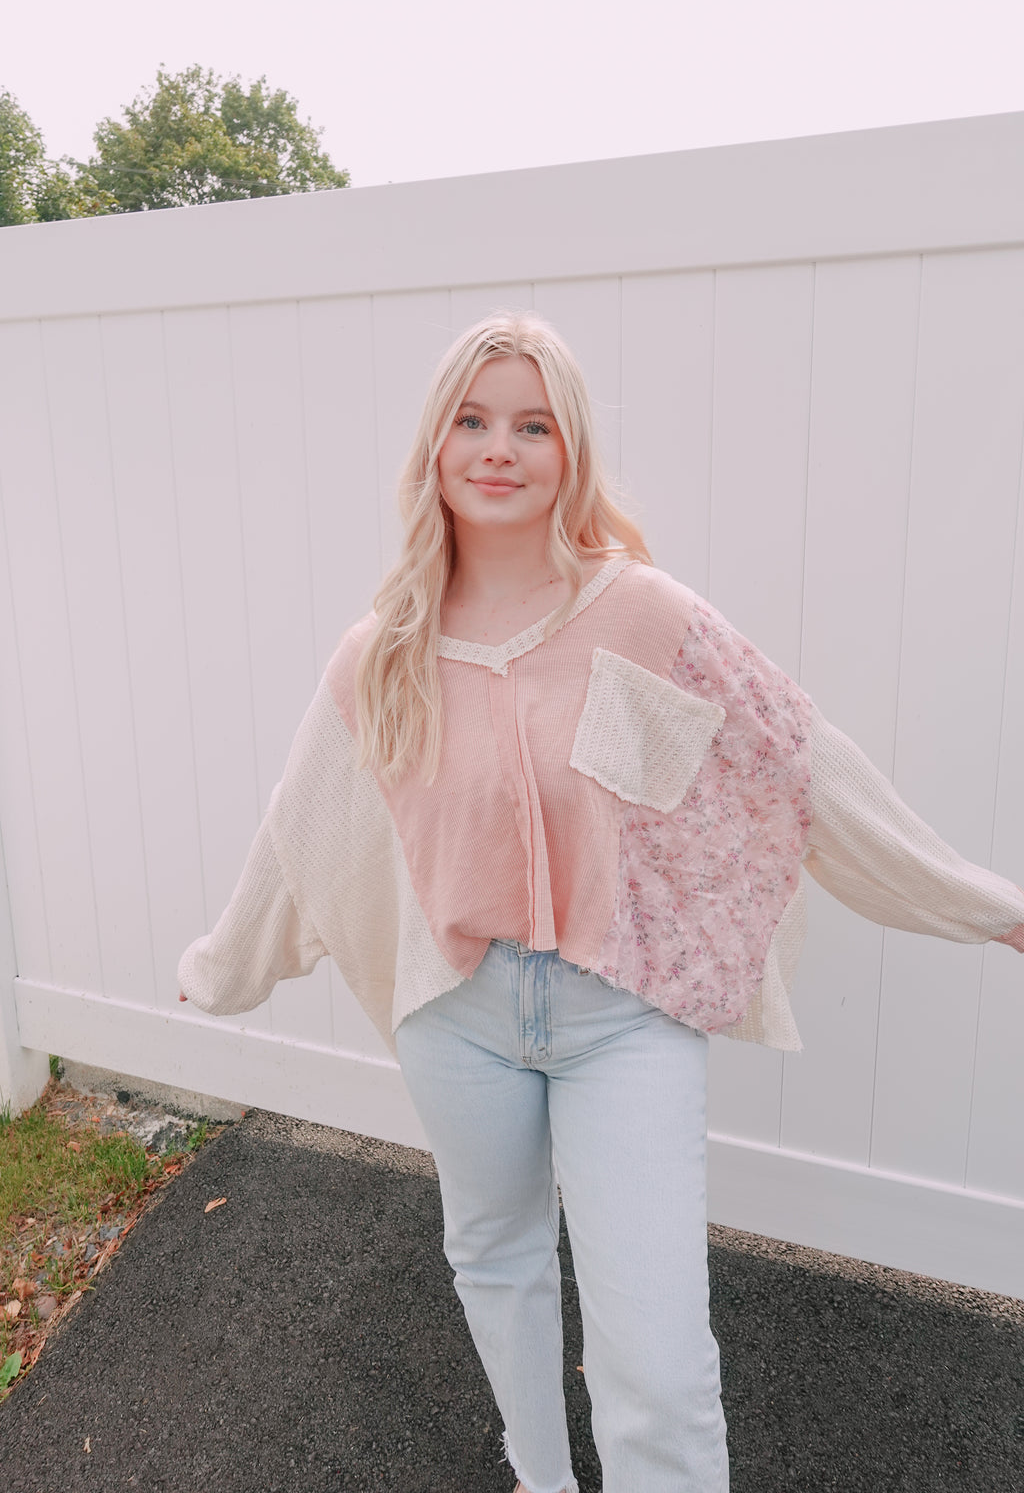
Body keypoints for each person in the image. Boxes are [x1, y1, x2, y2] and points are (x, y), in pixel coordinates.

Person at [178, 312, 1024, 1493]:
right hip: (455, 1015)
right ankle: (540, 1475)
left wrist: (985, 905)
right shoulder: (382, 654)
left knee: (661, 1360)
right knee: (497, 1254)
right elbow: (302, 829)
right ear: (434, 446)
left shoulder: (639, 615)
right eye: (472, 421)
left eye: (533, 425)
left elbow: (801, 765)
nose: (499, 448)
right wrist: (223, 967)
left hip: (621, 1014)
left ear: (569, 451)